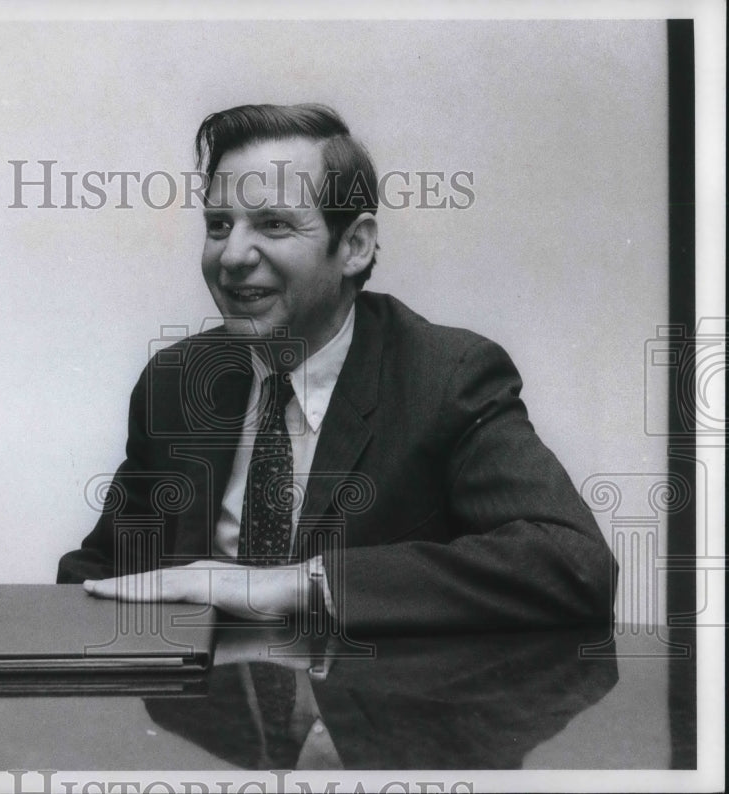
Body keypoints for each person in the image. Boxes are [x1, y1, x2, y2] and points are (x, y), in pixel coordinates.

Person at [57, 103, 616, 632]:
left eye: (274, 225)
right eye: (219, 224)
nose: (230, 257)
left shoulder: (447, 378)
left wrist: (298, 586)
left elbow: (575, 564)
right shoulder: (178, 381)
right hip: (214, 719)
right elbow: (104, 568)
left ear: (355, 245)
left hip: (374, 717)